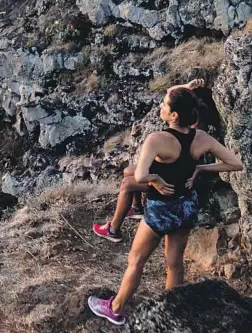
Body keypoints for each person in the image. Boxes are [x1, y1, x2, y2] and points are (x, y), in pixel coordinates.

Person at [87, 84, 243, 326]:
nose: (160, 106)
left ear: (174, 115)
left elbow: (139, 176)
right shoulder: (201, 138)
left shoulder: (157, 139)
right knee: (175, 263)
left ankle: (115, 308)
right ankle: (172, 313)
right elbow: (235, 164)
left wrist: (156, 179)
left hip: (163, 210)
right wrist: (200, 168)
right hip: (188, 207)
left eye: (164, 105)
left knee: (136, 260)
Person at [92, 81, 205, 244]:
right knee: (128, 171)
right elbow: (170, 92)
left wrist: (155, 179)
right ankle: (137, 208)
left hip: (172, 181)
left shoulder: (193, 125)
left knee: (127, 183)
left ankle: (113, 229)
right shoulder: (190, 119)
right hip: (171, 169)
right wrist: (187, 86)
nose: (162, 105)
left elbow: (192, 160)